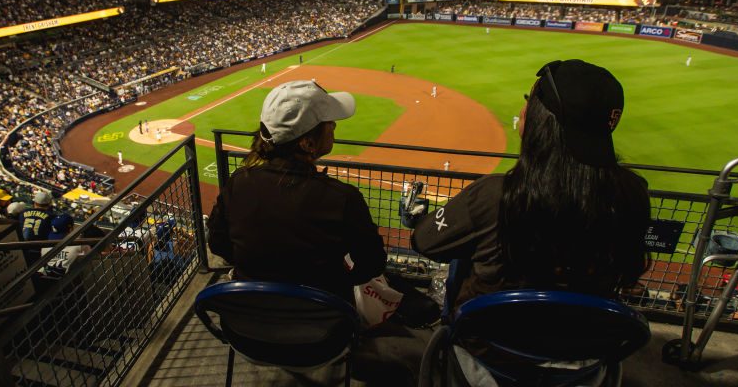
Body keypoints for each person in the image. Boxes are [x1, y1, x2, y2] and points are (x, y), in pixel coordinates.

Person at [408, 60, 650, 312]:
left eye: (530, 101)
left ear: (540, 121)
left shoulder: (497, 194)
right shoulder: (632, 195)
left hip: (489, 342)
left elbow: (424, 242)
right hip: (584, 341)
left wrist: (418, 220)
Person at [207, 80, 386, 303]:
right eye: (328, 122)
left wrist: (262, 272)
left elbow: (218, 243)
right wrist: (338, 277)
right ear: (307, 144)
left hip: (251, 317)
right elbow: (372, 264)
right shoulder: (343, 198)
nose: (334, 126)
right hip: (322, 322)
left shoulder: (239, 183)